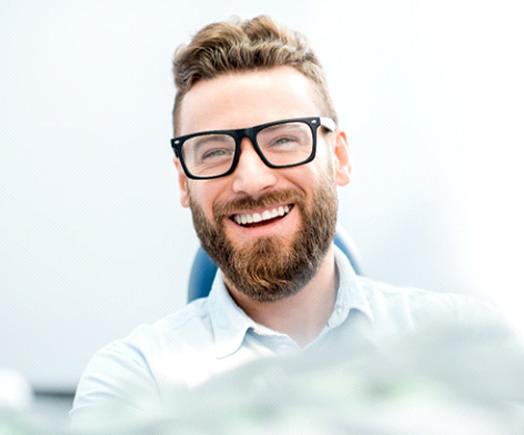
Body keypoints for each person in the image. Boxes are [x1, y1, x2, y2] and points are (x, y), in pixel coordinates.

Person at [70, 15, 502, 425]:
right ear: (184, 183)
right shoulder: (135, 381)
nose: (251, 180)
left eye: (283, 140)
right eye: (215, 151)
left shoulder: (468, 343)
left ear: (340, 158)